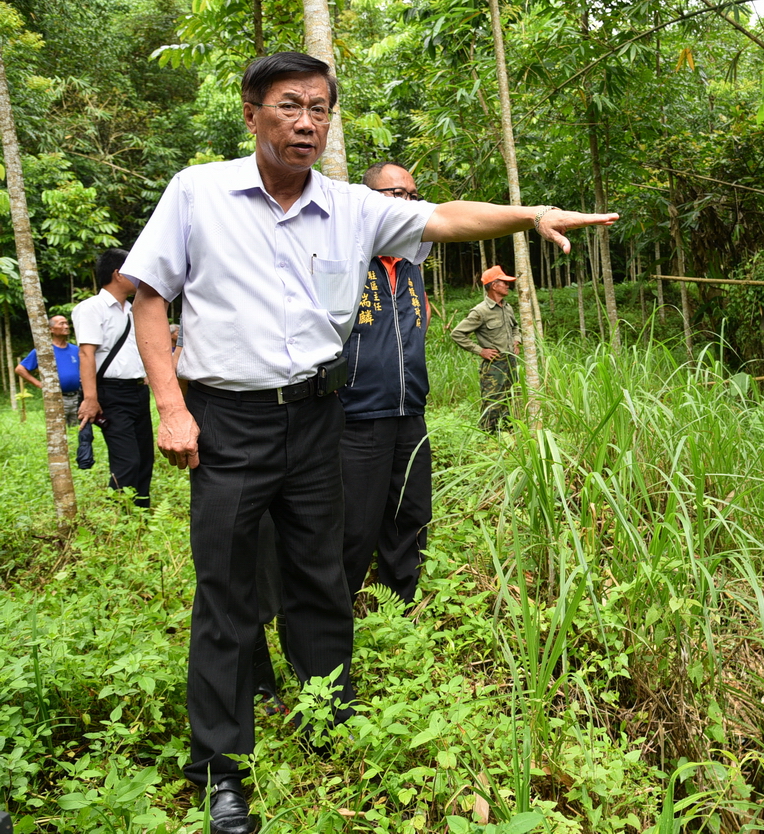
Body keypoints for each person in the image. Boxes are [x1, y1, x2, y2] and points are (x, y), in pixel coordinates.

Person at [123, 51, 615, 834]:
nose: (307, 122)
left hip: (321, 414)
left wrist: (530, 217)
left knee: (321, 573)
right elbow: (149, 299)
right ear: (251, 113)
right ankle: (221, 768)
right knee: (226, 589)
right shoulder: (197, 192)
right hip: (230, 419)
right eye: (290, 105)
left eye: (320, 108)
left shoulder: (353, 206)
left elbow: (446, 216)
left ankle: (327, 712)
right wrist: (172, 408)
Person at [339, 161, 432, 607]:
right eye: (398, 195)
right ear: (370, 201)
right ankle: (337, 606)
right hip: (357, 414)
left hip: (410, 410)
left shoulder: (413, 263)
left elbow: (420, 325)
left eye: (413, 196)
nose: (409, 205)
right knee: (355, 519)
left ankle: (400, 602)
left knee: (410, 513)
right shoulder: (349, 258)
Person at [72, 249, 153, 507]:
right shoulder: (91, 308)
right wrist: (91, 398)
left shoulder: (133, 309)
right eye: (134, 270)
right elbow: (86, 354)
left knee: (144, 455)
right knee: (127, 459)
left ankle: (140, 512)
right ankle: (119, 516)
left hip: (137, 392)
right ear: (117, 274)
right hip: (110, 393)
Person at [15, 315, 95, 469]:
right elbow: (20, 369)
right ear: (52, 329)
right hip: (57, 399)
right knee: (59, 432)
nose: (66, 326)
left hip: (78, 397)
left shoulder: (75, 350)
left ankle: (81, 461)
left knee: (80, 431)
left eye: (67, 323)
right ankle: (61, 462)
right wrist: (41, 385)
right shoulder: (45, 351)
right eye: (61, 323)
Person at [450, 266, 521, 432]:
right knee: (492, 402)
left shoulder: (507, 307)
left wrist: (516, 341)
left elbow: (515, 328)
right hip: (494, 365)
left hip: (511, 361)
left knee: (510, 398)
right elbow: (457, 334)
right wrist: (480, 350)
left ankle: (507, 433)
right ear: (494, 285)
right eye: (504, 283)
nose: (508, 286)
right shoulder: (480, 311)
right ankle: (487, 436)